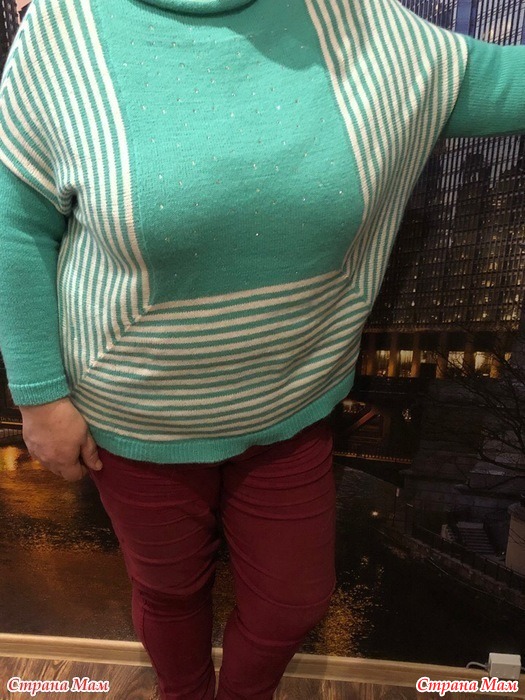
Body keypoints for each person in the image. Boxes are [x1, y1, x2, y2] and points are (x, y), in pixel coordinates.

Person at [0, 0, 524, 697]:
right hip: (135, 416)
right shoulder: (68, 27)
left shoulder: (357, 20)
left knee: (293, 602)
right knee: (168, 591)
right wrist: (40, 397)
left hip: (291, 402)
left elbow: (502, 80)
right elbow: (16, 224)